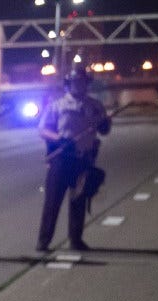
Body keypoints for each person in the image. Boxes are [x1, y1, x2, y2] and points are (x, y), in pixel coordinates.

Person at [36, 65, 110, 252]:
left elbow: (104, 130)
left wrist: (105, 123)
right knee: (53, 202)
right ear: (69, 85)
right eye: (76, 82)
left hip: (83, 159)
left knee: (78, 202)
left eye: (83, 82)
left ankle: (76, 240)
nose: (79, 85)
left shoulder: (94, 106)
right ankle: (43, 241)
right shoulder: (57, 105)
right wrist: (59, 139)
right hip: (61, 160)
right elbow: (43, 130)